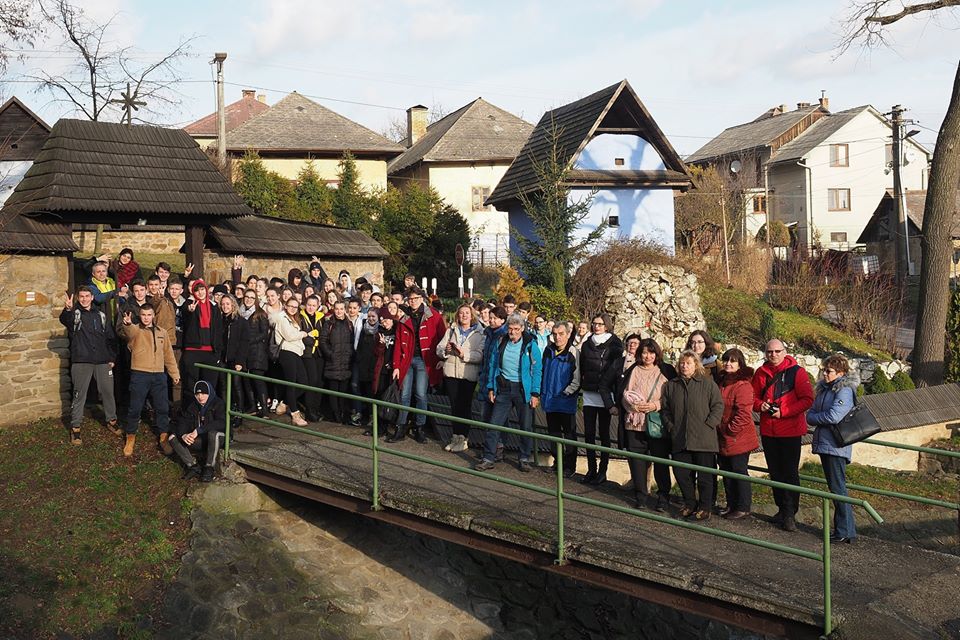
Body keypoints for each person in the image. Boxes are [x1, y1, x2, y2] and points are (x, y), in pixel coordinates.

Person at [752, 338, 814, 532]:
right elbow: (752, 397)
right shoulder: (760, 373)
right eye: (770, 352)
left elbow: (807, 399)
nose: (774, 355)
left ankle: (790, 513)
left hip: (790, 431)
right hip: (769, 430)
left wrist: (784, 411)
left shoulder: (797, 372)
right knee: (775, 472)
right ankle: (781, 509)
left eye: (777, 351)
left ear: (784, 352)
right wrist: (759, 405)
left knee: (790, 473)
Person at [606, 336, 670, 510]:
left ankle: (663, 497)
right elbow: (624, 393)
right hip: (634, 423)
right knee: (637, 461)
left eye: (651, 353)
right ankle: (641, 495)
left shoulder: (664, 371)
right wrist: (633, 405)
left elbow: (670, 398)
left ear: (657, 354)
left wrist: (654, 405)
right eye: (644, 352)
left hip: (656, 423)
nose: (648, 356)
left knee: (660, 461)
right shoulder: (633, 370)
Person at [660, 350, 724, 520]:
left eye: (688, 363)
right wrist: (671, 427)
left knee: (705, 477)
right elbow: (665, 409)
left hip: (704, 438)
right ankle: (690, 503)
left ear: (696, 365)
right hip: (680, 438)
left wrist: (709, 424)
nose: (684, 366)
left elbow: (718, 406)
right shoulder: (671, 385)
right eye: (682, 363)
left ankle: (705, 507)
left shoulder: (708, 383)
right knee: (682, 474)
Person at [476, 314, 543, 472]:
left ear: (522, 329)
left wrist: (535, 393)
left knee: (525, 426)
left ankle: (524, 458)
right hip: (504, 388)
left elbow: (537, 370)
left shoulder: (530, 345)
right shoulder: (501, 341)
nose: (512, 332)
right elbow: (492, 365)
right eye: (510, 329)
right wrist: (491, 388)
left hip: (522, 389)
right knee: (494, 424)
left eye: (516, 329)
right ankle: (488, 457)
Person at [807, 354, 859, 544]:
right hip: (826, 444)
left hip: (836, 446)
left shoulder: (843, 390)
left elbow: (834, 416)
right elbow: (812, 412)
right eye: (823, 370)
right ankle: (845, 530)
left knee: (838, 488)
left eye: (828, 371)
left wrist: (815, 418)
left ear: (841, 372)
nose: (824, 374)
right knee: (835, 487)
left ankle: (845, 530)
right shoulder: (824, 390)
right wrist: (816, 417)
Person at [119, 305, 180, 457]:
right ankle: (130, 437)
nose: (146, 317)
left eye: (149, 314)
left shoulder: (162, 332)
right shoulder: (136, 330)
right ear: (140, 316)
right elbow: (129, 332)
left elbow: (168, 354)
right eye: (143, 315)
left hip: (159, 375)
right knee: (135, 408)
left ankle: (163, 437)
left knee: (162, 408)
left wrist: (174, 372)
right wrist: (127, 323)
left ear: (153, 315)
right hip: (140, 374)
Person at [60, 287, 119, 444]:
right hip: (82, 361)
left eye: (87, 296)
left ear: (93, 297)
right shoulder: (75, 315)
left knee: (107, 392)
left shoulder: (101, 316)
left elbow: (111, 339)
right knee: (79, 394)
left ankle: (112, 420)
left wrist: (112, 357)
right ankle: (76, 427)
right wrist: (67, 309)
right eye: (82, 296)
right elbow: (64, 320)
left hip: (102, 361)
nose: (84, 299)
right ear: (78, 298)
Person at [390, 286, 445, 443]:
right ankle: (401, 426)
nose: (413, 301)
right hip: (407, 360)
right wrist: (396, 366)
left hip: (424, 360)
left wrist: (441, 358)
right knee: (404, 394)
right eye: (410, 299)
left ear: (422, 298)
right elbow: (399, 342)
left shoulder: (433, 315)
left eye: (415, 298)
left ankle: (419, 427)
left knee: (421, 394)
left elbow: (442, 337)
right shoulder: (404, 318)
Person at [579, 313, 623, 485]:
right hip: (590, 391)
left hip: (606, 393)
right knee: (588, 432)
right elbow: (583, 365)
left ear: (606, 325)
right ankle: (592, 468)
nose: (596, 326)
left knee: (604, 433)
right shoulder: (588, 343)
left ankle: (603, 470)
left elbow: (617, 368)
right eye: (594, 323)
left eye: (600, 324)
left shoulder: (615, 343)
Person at [436, 304, 486, 453]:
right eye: (461, 313)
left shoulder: (480, 332)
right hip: (451, 372)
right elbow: (439, 348)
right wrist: (446, 350)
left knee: (464, 405)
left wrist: (463, 354)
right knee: (454, 405)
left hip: (468, 374)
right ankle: (455, 436)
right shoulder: (451, 330)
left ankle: (463, 437)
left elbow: (480, 355)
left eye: (467, 313)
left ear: (472, 315)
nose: (464, 315)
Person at [716, 348, 758, 520]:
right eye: (726, 360)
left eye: (733, 361)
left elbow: (743, 413)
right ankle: (731, 504)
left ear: (740, 364)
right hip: (723, 436)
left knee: (739, 471)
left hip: (737, 437)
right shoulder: (722, 382)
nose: (728, 364)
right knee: (726, 471)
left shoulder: (743, 385)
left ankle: (743, 507)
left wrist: (730, 430)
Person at [539, 321, 580, 477]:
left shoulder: (573, 352)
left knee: (569, 434)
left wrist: (567, 392)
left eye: (561, 334)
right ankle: (558, 463)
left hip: (565, 401)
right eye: (555, 334)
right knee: (554, 434)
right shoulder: (548, 351)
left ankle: (570, 467)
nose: (558, 337)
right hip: (550, 399)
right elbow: (543, 372)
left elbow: (577, 378)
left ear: (568, 334)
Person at [167, 380, 226, 483]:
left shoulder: (219, 403)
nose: (200, 397)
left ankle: (209, 467)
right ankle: (193, 466)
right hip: (200, 440)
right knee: (172, 437)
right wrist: (184, 435)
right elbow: (182, 422)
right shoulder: (192, 406)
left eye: (204, 393)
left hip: (218, 438)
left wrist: (199, 430)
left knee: (213, 434)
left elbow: (221, 423)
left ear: (210, 393)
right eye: (197, 394)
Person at [180, 280, 223, 411]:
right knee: (191, 385)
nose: (201, 292)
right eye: (197, 290)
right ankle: (190, 413)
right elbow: (185, 313)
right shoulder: (190, 303)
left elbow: (218, 330)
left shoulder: (214, 307)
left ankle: (209, 414)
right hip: (193, 350)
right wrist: (190, 310)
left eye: (202, 289)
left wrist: (217, 352)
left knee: (209, 386)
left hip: (210, 351)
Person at [274, 296, 309, 426]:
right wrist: (304, 334)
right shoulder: (282, 318)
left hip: (296, 352)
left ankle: (284, 402)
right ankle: (295, 413)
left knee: (303, 382)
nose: (293, 309)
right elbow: (289, 336)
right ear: (286, 306)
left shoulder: (293, 319)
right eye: (291, 306)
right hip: (286, 352)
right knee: (291, 383)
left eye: (295, 307)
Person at [320, 301, 354, 425]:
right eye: (337, 309)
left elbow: (351, 342)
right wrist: (330, 354)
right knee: (334, 391)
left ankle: (342, 413)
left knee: (343, 391)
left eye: (341, 309)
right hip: (333, 362)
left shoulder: (349, 324)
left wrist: (350, 354)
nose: (339, 311)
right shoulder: (329, 324)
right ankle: (335, 414)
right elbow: (322, 341)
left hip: (345, 362)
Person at [219, 294, 249, 417]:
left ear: (233, 305)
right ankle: (225, 414)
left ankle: (238, 414)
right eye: (223, 304)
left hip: (235, 360)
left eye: (228, 304)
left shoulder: (241, 322)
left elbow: (244, 343)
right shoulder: (219, 320)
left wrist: (240, 361)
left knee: (236, 387)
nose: (225, 306)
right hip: (222, 359)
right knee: (223, 387)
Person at [244, 295, 272, 417]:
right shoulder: (242, 313)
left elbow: (264, 333)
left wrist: (248, 340)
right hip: (247, 352)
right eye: (246, 297)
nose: (248, 299)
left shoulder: (260, 314)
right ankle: (253, 406)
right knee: (248, 380)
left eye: (251, 297)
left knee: (258, 381)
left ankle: (264, 409)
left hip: (258, 352)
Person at [299, 295, 326, 422]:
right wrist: (313, 339)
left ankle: (316, 408)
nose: (311, 307)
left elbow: (323, 335)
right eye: (309, 305)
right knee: (312, 380)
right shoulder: (300, 317)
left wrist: (315, 337)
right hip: (307, 353)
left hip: (319, 353)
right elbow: (301, 335)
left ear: (318, 306)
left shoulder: (321, 318)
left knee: (319, 382)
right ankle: (309, 410)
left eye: (313, 305)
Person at [355, 307, 381, 428]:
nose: (371, 319)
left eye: (373, 317)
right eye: (369, 316)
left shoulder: (379, 331)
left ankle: (373, 417)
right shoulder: (364, 330)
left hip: (374, 366)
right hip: (363, 365)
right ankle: (364, 415)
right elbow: (359, 348)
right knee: (364, 391)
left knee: (373, 393)